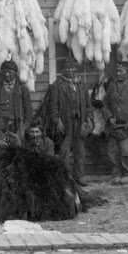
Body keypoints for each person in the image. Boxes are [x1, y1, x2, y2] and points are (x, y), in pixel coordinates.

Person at [39, 56, 92, 184]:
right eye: (67, 68)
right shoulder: (57, 85)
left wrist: (88, 119)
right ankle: (65, 176)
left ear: (76, 69)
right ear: (63, 69)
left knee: (80, 150)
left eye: (72, 67)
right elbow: (53, 106)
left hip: (79, 122)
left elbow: (88, 104)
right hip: (65, 121)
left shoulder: (82, 85)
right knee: (64, 150)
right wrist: (57, 121)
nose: (70, 70)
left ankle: (79, 176)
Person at [100, 60, 128, 185]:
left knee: (126, 151)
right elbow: (105, 103)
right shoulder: (112, 86)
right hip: (114, 125)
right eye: (117, 71)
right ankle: (117, 173)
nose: (118, 73)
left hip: (127, 126)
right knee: (113, 152)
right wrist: (108, 117)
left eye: (121, 71)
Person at [0, 59, 32, 145]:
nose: (6, 74)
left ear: (15, 73)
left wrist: (23, 127)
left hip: (16, 125)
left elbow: (28, 112)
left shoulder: (22, 89)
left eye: (10, 72)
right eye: (4, 72)